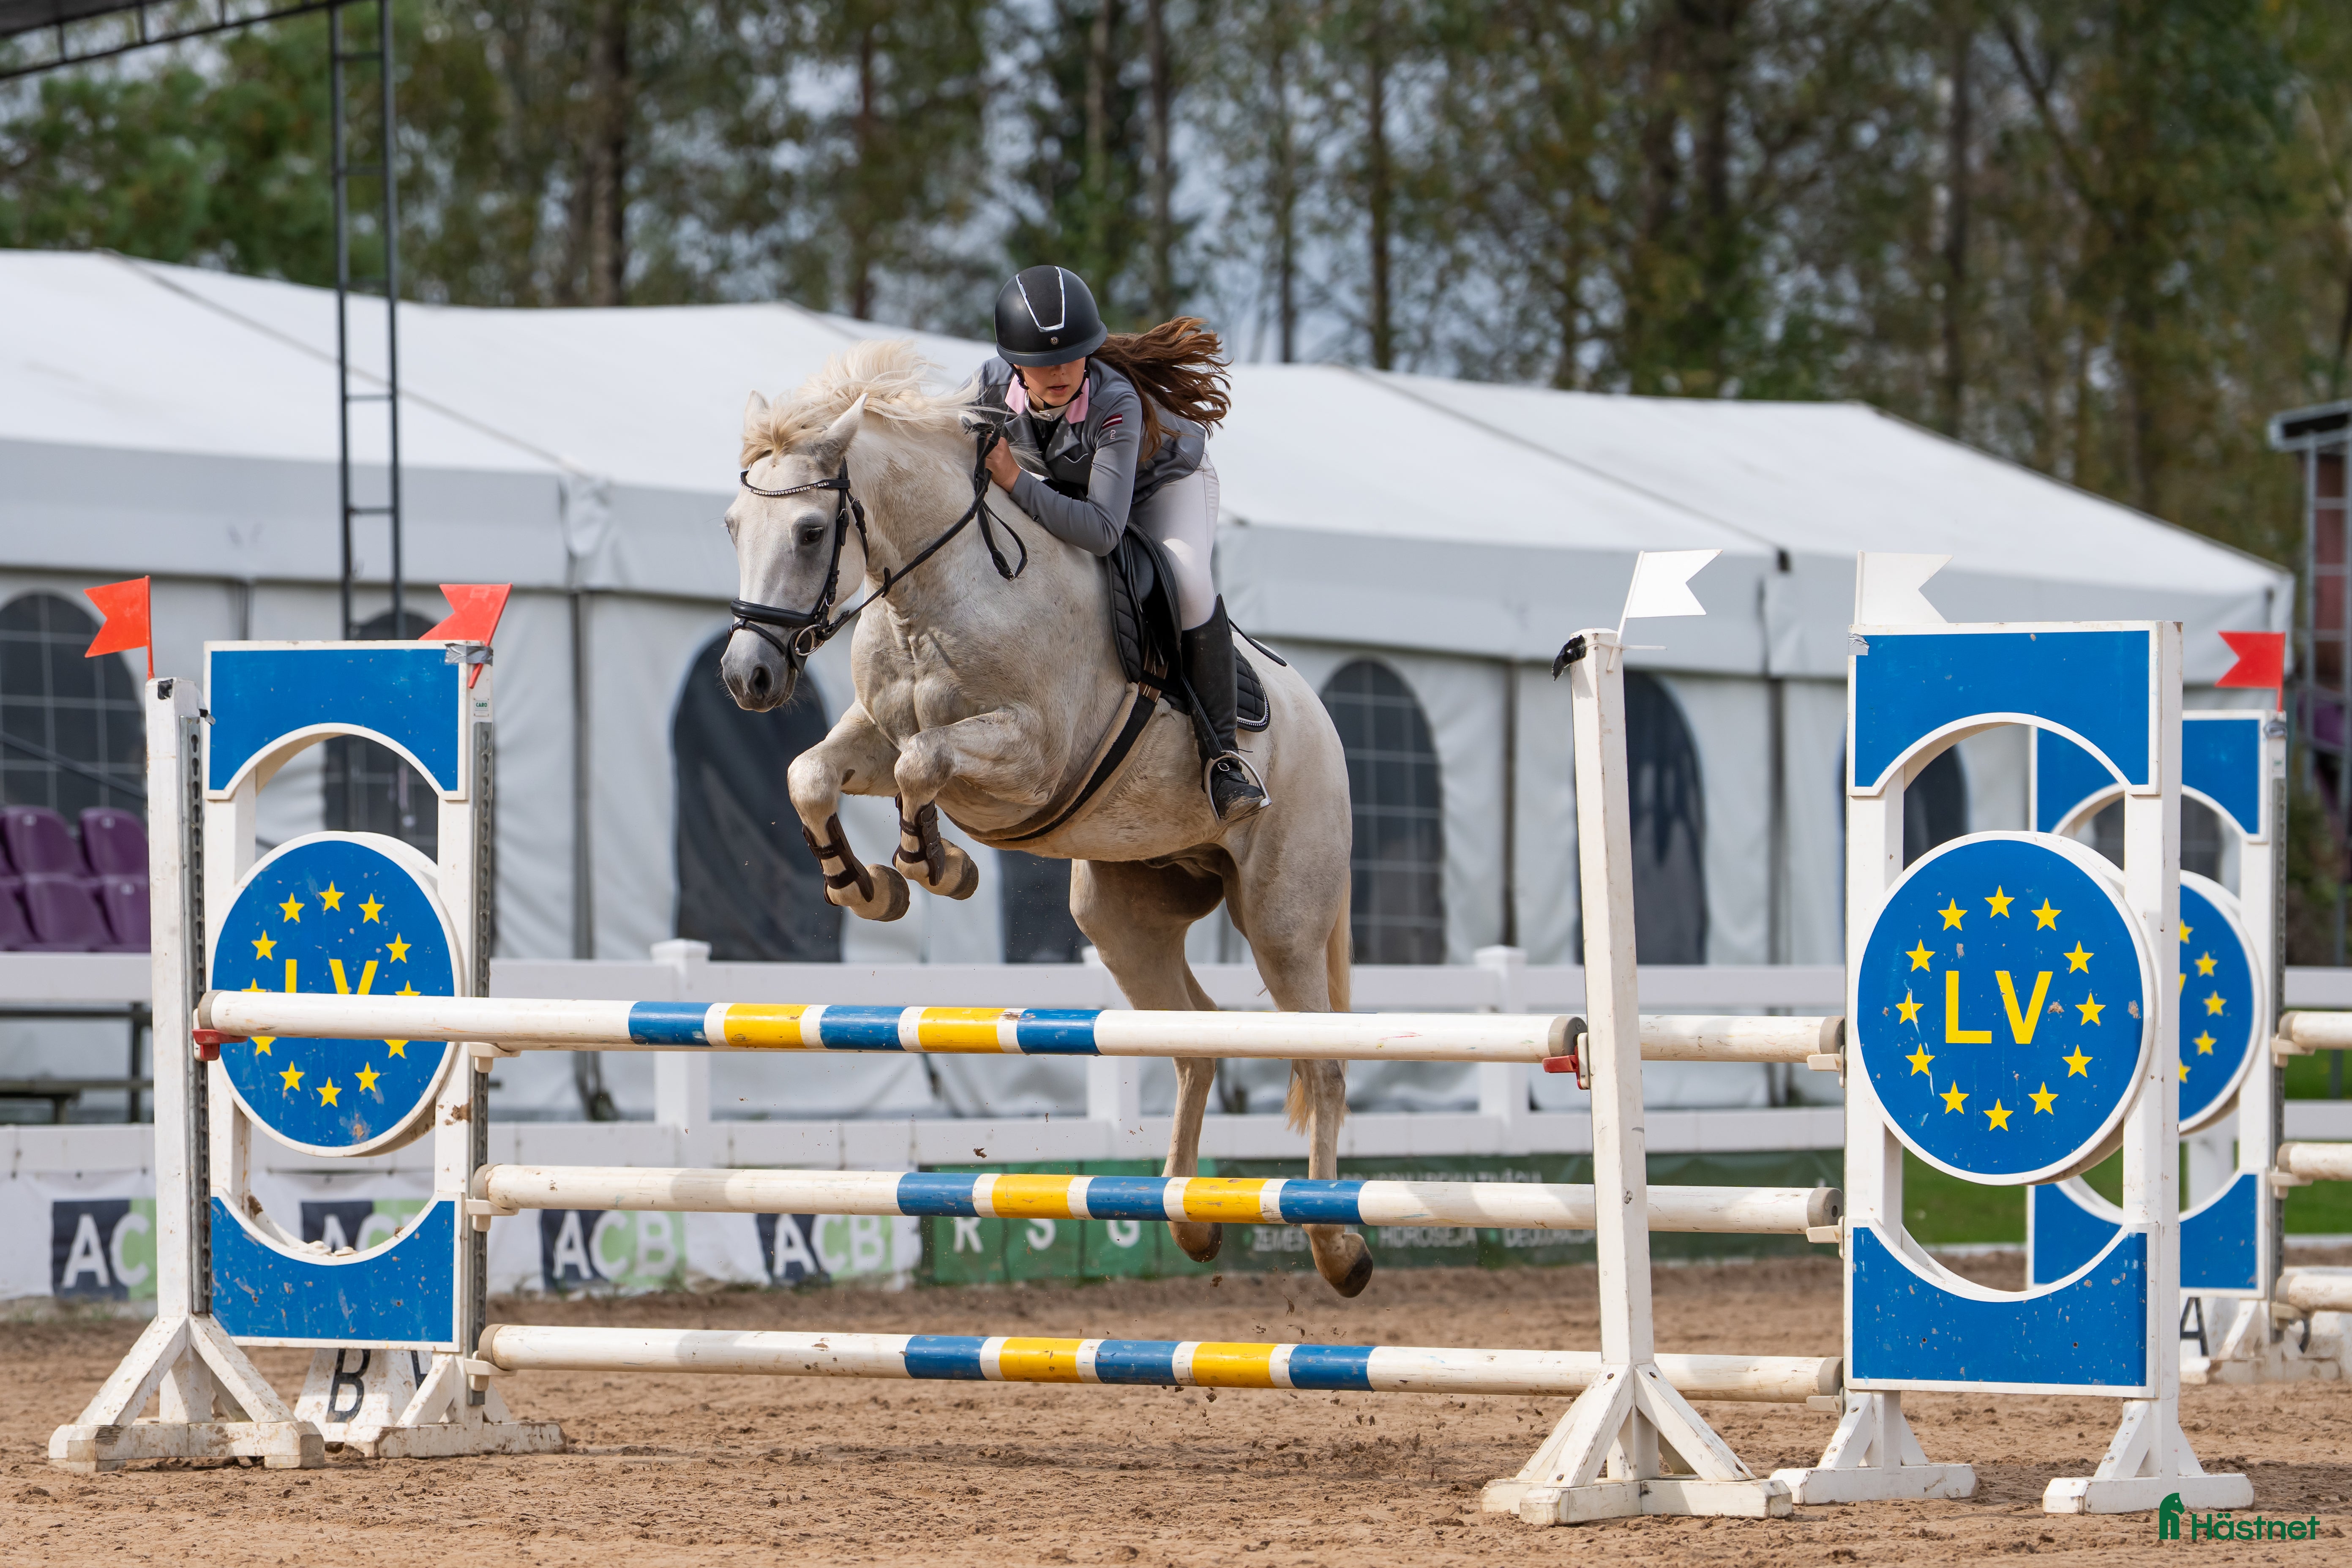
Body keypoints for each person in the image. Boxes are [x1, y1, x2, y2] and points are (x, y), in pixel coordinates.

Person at [976, 263, 1268, 824]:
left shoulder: (1114, 400)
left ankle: (1224, 758)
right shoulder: (987, 386)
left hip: (1165, 485)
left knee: (1185, 578)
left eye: (1071, 356)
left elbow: (1102, 531)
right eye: (1042, 364)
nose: (1060, 372)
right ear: (1016, 365)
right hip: (1077, 486)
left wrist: (1014, 480)